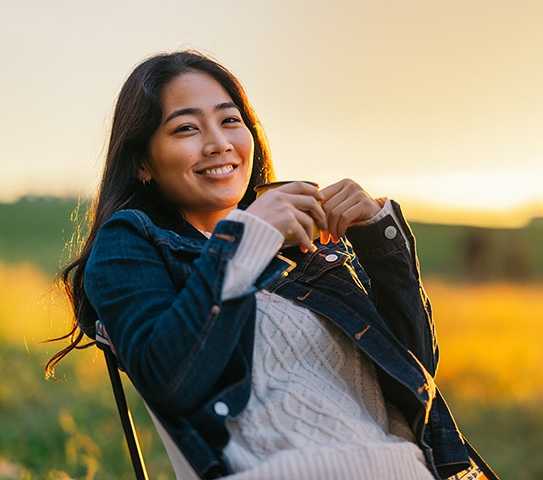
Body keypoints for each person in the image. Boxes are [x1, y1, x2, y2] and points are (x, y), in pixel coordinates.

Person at [47, 51, 493, 480]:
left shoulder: (299, 251)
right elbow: (173, 380)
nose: (218, 143)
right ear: (143, 163)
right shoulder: (132, 242)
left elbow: (415, 374)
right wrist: (245, 238)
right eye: (186, 129)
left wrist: (378, 235)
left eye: (230, 120)